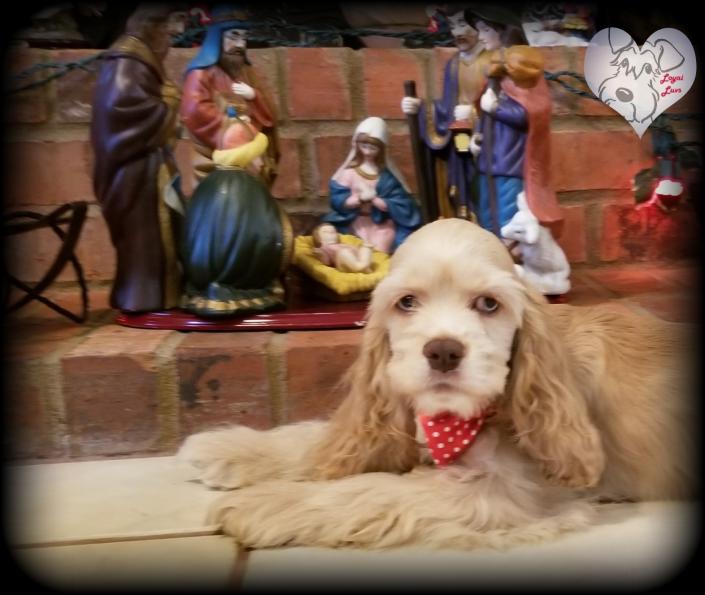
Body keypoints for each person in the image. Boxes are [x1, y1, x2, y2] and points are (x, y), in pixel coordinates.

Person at [90, 4, 186, 313]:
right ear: (151, 26)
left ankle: (160, 293)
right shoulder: (126, 65)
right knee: (143, 241)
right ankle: (142, 298)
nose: (174, 39)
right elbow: (124, 114)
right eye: (169, 32)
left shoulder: (139, 62)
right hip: (132, 174)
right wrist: (168, 105)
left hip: (149, 169)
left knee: (157, 237)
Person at [465, 5, 564, 239]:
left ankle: (509, 263)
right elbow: (484, 108)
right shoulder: (494, 68)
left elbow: (531, 113)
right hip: (489, 159)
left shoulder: (524, 69)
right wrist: (477, 136)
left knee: (508, 219)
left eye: (485, 29)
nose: (480, 37)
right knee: (487, 216)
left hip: (511, 163)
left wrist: (497, 108)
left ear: (503, 31)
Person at [180, 115, 292, 317]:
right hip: (245, 276)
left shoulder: (207, 185)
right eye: (259, 155)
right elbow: (270, 232)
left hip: (199, 279)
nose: (262, 163)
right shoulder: (250, 187)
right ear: (246, 155)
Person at [401, 8, 487, 219]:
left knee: (481, 192)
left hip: (484, 145)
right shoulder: (454, 65)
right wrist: (420, 107)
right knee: (456, 189)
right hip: (459, 139)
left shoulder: (492, 61)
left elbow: (505, 106)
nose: (457, 32)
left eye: (463, 25)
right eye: (453, 26)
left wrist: (475, 114)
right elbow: (446, 108)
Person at [180, 8, 279, 186]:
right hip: (214, 156)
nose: (240, 44)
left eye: (244, 38)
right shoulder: (200, 74)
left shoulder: (248, 72)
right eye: (233, 36)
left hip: (250, 150)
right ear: (217, 38)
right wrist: (234, 125)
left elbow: (269, 115)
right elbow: (194, 110)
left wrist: (254, 96)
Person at [321, 116, 421, 254]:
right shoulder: (350, 173)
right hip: (355, 223)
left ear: (381, 149)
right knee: (351, 248)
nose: (367, 151)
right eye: (364, 146)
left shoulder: (386, 177)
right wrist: (359, 199)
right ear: (357, 145)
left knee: (381, 252)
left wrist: (374, 199)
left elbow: (400, 204)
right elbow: (338, 201)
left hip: (381, 225)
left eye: (372, 147)